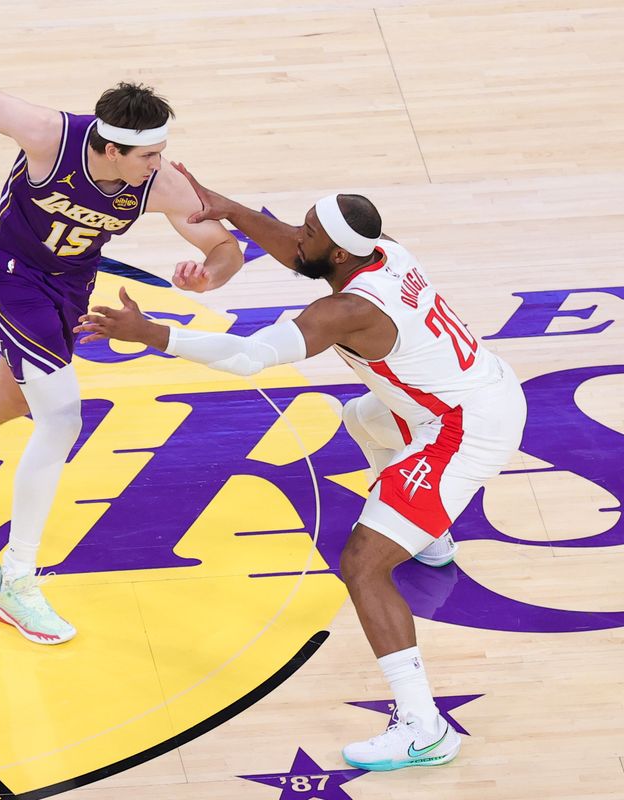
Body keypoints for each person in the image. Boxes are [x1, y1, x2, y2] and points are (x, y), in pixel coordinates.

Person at [74, 166, 526, 771]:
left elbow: (247, 357)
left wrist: (151, 332)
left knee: (363, 566)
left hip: (461, 430)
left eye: (309, 230)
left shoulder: (344, 311)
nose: (297, 235)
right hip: (471, 392)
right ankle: (430, 535)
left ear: (337, 252)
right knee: (362, 419)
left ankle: (424, 729)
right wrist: (228, 207)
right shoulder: (381, 251)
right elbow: (296, 244)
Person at [0, 84, 243, 645]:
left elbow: (225, 249)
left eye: (159, 152)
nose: (159, 164)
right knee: (60, 416)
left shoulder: (158, 181)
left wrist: (210, 275)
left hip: (71, 285)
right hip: (8, 271)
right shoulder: (49, 136)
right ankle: (15, 580)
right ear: (110, 150)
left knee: (14, 395)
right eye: (147, 156)